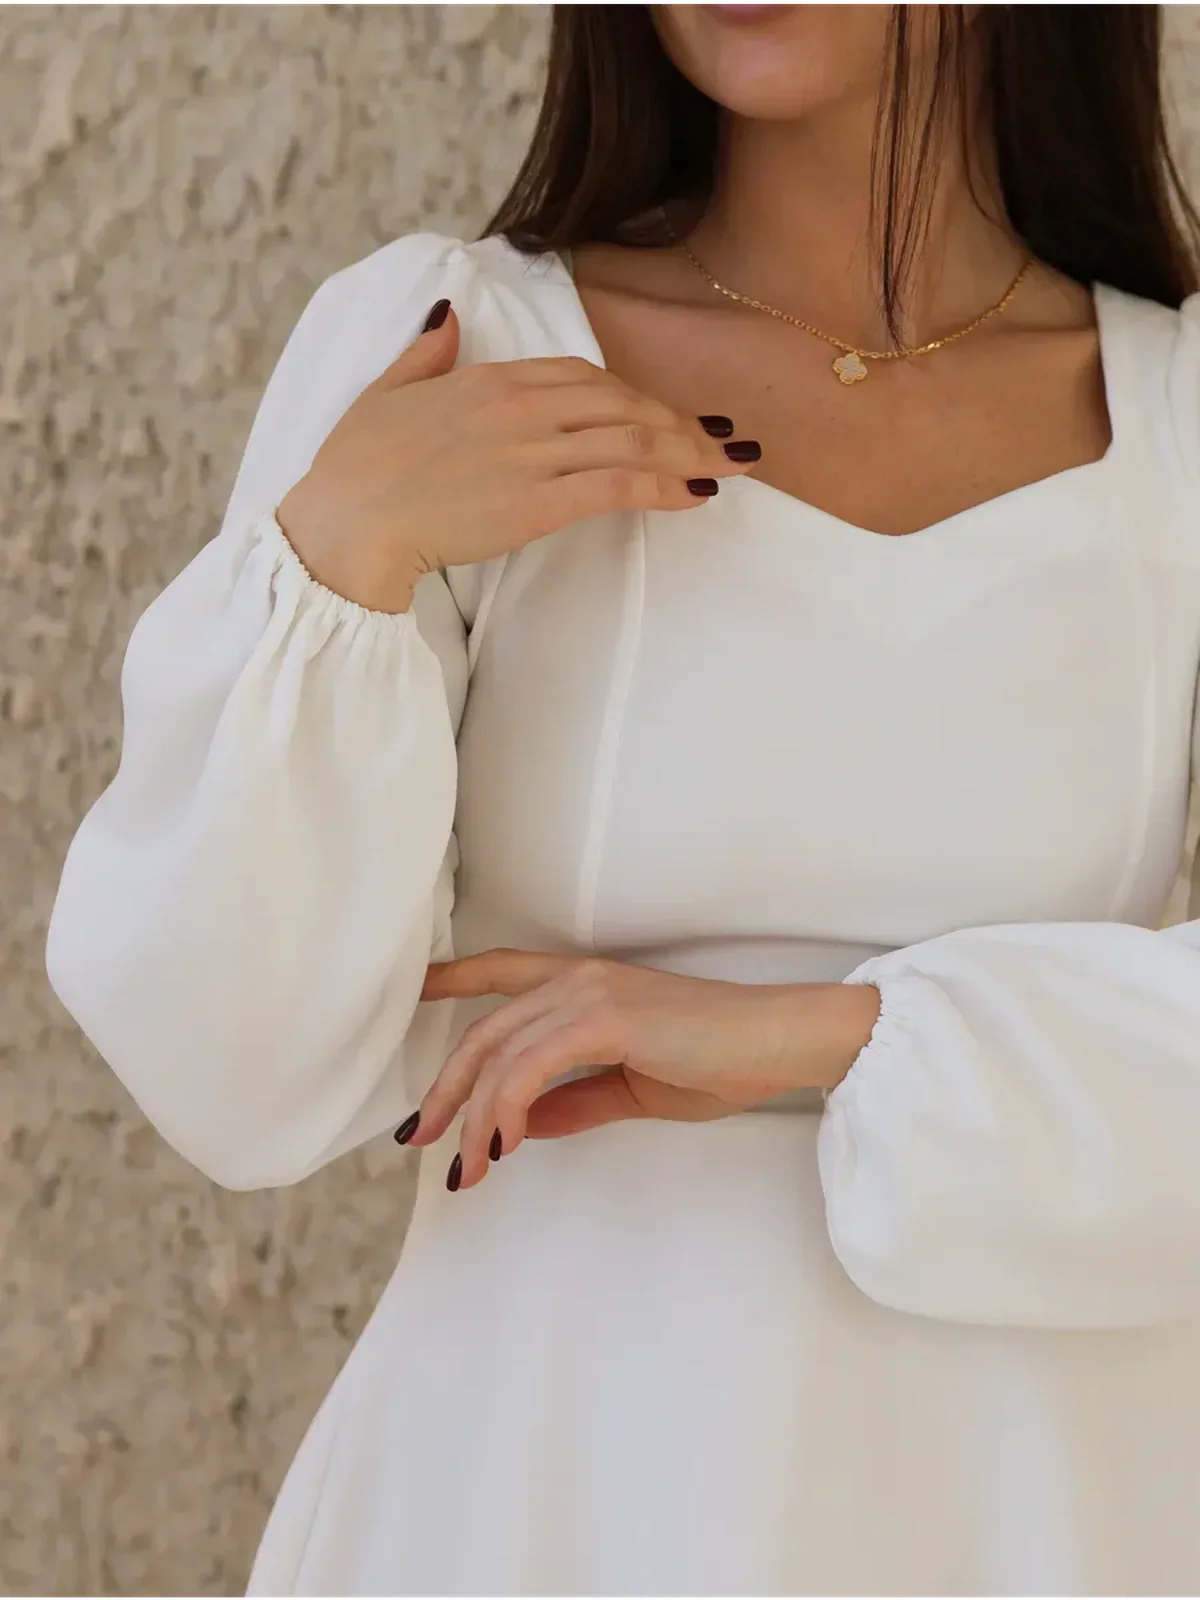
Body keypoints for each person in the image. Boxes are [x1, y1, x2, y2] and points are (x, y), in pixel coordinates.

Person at [44, 0, 1200, 1594]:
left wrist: (822, 1037)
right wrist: (338, 557)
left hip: (1050, 1515)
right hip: (544, 1491)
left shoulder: (1178, 420)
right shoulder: (455, 351)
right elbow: (233, 1077)